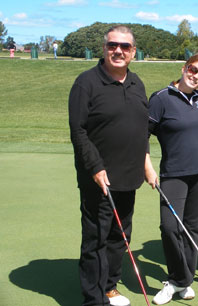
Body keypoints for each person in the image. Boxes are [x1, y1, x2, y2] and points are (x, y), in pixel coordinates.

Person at [69, 25, 149, 306]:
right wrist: (95, 167)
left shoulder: (137, 82)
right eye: (112, 45)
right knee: (96, 239)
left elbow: (142, 128)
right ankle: (93, 298)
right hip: (98, 179)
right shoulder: (86, 82)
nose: (118, 50)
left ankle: (109, 286)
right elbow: (78, 131)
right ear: (104, 49)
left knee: (120, 236)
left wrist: (146, 162)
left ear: (133, 52)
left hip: (129, 177)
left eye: (125, 47)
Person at [144, 54, 198, 305]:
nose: (196, 76)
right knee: (170, 227)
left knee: (192, 229)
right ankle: (179, 279)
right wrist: (147, 168)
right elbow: (143, 135)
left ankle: (183, 281)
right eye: (193, 70)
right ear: (184, 68)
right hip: (173, 174)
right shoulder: (161, 98)